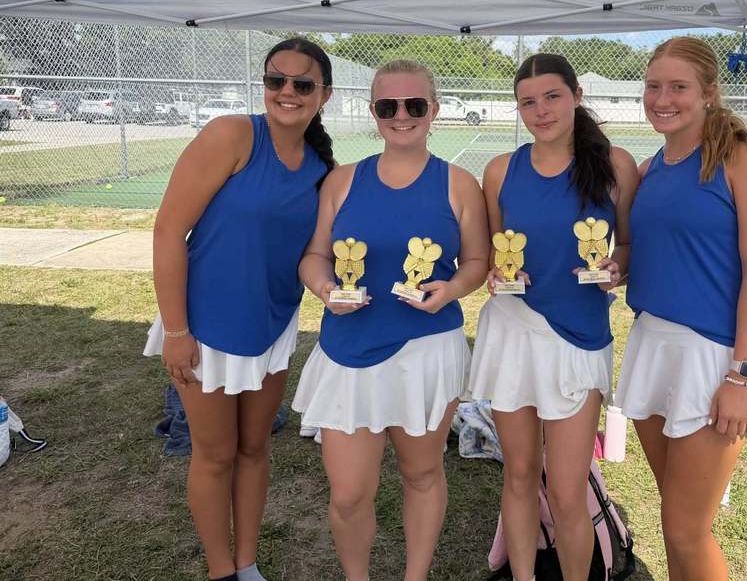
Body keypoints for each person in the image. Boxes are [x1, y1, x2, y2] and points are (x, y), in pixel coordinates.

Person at [145, 37, 335, 581]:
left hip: (271, 328)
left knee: (253, 449)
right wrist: (177, 330)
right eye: (276, 80)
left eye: (302, 84)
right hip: (205, 326)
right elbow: (167, 231)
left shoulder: (320, 164)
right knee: (215, 454)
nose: (287, 92)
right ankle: (220, 569)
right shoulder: (232, 134)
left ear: (324, 93)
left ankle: (247, 564)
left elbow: (313, 253)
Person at [293, 59, 489, 581]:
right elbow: (314, 257)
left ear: (435, 111)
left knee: (422, 472)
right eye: (388, 106)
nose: (402, 115)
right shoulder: (341, 182)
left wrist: (452, 288)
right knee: (350, 494)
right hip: (349, 351)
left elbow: (477, 262)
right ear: (373, 112)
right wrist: (326, 288)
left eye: (414, 105)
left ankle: (414, 576)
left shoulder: (459, 184)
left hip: (427, 352)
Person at [615, 36, 747, 581]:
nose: (663, 98)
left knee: (687, 530)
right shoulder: (653, 166)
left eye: (679, 87)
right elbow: (653, 250)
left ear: (709, 92)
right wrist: (618, 268)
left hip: (713, 357)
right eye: (653, 86)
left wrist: (742, 376)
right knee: (677, 519)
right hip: (652, 343)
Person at [467, 53, 639, 581]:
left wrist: (616, 267)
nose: (540, 110)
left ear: (576, 95)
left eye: (551, 97)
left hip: (579, 338)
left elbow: (628, 243)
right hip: (514, 332)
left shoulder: (616, 165)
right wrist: (496, 274)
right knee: (519, 475)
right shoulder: (500, 170)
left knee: (567, 489)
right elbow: (499, 253)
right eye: (528, 101)